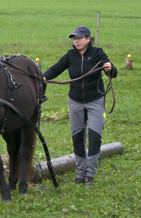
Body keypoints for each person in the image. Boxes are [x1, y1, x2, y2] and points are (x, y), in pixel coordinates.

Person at [43, 26, 118, 186]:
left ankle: (89, 175)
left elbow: (112, 71)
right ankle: (80, 174)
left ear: (88, 39)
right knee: (78, 138)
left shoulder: (98, 53)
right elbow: (56, 68)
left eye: (79, 38)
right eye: (74, 39)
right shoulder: (70, 56)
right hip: (75, 101)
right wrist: (43, 77)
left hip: (96, 100)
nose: (76, 41)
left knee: (94, 137)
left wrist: (110, 68)